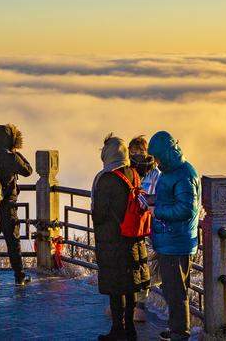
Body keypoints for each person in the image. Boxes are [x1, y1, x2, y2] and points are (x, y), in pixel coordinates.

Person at [92, 134, 150, 341]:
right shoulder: (133, 173)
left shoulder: (107, 178)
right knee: (129, 285)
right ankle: (130, 331)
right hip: (133, 239)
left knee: (116, 288)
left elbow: (99, 213)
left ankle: (118, 330)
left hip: (113, 241)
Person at [148, 131, 201, 341]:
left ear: (166, 154)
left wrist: (156, 211)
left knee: (176, 291)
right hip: (172, 240)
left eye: (158, 157)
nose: (157, 162)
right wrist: (152, 200)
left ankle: (180, 332)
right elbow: (171, 200)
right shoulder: (174, 171)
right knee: (172, 289)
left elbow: (185, 209)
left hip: (176, 242)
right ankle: (176, 328)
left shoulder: (183, 174)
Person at [0, 124, 33, 288]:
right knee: (13, 243)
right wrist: (16, 153)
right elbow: (28, 170)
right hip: (8, 208)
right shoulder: (11, 157)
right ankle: (19, 277)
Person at [128, 135, 161, 322]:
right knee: (132, 264)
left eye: (140, 152)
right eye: (133, 153)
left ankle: (140, 304)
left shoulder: (156, 174)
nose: (137, 156)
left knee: (146, 266)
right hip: (132, 228)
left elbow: (156, 199)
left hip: (151, 227)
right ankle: (129, 302)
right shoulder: (130, 172)